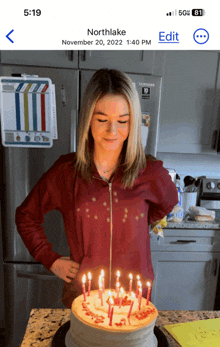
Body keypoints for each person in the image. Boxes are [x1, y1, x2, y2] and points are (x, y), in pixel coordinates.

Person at [15, 68, 178, 307]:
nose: (113, 132)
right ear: (87, 119)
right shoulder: (66, 172)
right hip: (83, 297)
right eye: (102, 120)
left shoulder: (151, 172)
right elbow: (26, 216)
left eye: (122, 121)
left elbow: (167, 203)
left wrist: (137, 219)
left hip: (134, 300)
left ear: (133, 122)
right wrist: (51, 260)